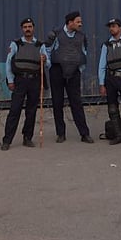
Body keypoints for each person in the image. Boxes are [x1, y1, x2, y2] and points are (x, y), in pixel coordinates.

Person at [1, 17, 50, 151]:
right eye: (25, 27)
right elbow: (8, 63)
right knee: (14, 110)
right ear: (22, 29)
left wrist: (44, 59)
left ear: (33, 28)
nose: (27, 29)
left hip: (34, 80)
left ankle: (27, 137)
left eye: (30, 26)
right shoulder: (15, 44)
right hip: (20, 80)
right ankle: (7, 140)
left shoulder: (40, 45)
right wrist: (10, 80)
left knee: (31, 110)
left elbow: (48, 64)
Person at [46, 11, 94, 143]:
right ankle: (60, 133)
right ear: (70, 22)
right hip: (57, 71)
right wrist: (50, 66)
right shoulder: (55, 34)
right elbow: (47, 50)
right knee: (57, 102)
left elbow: (84, 53)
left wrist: (79, 68)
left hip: (74, 73)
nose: (80, 24)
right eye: (78, 21)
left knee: (76, 103)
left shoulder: (81, 36)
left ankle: (84, 134)